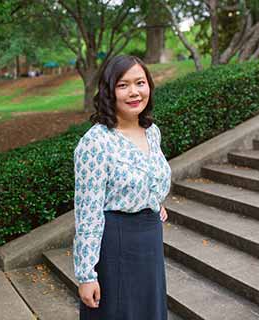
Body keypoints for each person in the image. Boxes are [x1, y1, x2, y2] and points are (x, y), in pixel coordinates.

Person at [73, 55, 172, 320]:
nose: (134, 92)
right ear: (109, 91)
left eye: (140, 82)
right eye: (123, 85)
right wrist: (86, 275)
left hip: (150, 241)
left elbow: (149, 176)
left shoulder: (152, 132)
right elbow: (88, 213)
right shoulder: (95, 143)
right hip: (116, 246)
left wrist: (155, 202)